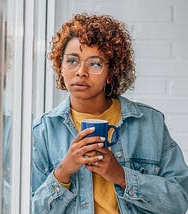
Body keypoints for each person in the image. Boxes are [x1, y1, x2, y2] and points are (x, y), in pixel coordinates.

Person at [31, 13, 188, 213]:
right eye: (72, 61)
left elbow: (179, 200)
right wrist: (63, 172)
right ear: (60, 67)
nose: (81, 72)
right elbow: (32, 207)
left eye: (94, 63)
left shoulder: (149, 123)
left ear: (111, 72)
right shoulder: (43, 130)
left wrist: (123, 176)